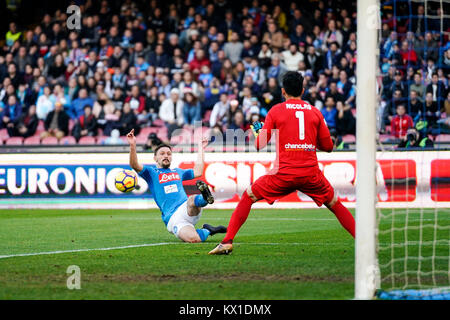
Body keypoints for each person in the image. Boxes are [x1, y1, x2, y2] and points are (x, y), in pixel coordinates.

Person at [209, 71, 355, 255]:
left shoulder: (276, 110)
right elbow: (328, 146)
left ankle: (227, 241)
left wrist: (257, 130)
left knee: (248, 196)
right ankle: (364, 241)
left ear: (283, 91)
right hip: (310, 174)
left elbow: (259, 144)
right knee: (335, 203)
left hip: (284, 173)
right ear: (303, 90)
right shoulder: (315, 112)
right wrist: (308, 141)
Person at [126, 129, 227, 243]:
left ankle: (205, 197)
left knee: (192, 200)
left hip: (186, 207)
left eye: (169, 154)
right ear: (155, 158)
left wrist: (201, 148)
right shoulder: (151, 173)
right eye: (162, 154)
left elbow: (198, 171)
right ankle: (207, 230)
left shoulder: (178, 172)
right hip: (173, 218)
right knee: (194, 239)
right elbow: (134, 164)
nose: (166, 156)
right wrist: (132, 145)